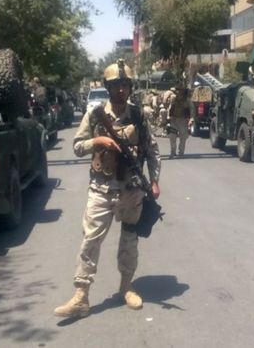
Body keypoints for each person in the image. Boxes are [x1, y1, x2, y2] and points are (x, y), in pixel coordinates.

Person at [54, 59, 161, 318]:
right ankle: (81, 297)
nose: (121, 90)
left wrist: (154, 180)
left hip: (131, 190)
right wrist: (98, 140)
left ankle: (127, 287)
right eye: (116, 85)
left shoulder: (138, 115)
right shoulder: (95, 114)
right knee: (90, 241)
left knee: (130, 240)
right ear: (108, 87)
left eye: (125, 85)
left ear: (130, 86)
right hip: (101, 189)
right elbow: (78, 146)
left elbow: (152, 150)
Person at [167, 88, 194, 157]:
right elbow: (170, 108)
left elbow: (192, 109)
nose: (178, 92)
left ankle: (181, 152)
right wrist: (168, 116)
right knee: (172, 137)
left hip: (183, 121)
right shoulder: (174, 99)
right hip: (174, 120)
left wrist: (191, 118)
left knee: (183, 138)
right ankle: (173, 152)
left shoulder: (187, 100)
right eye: (177, 91)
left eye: (180, 90)